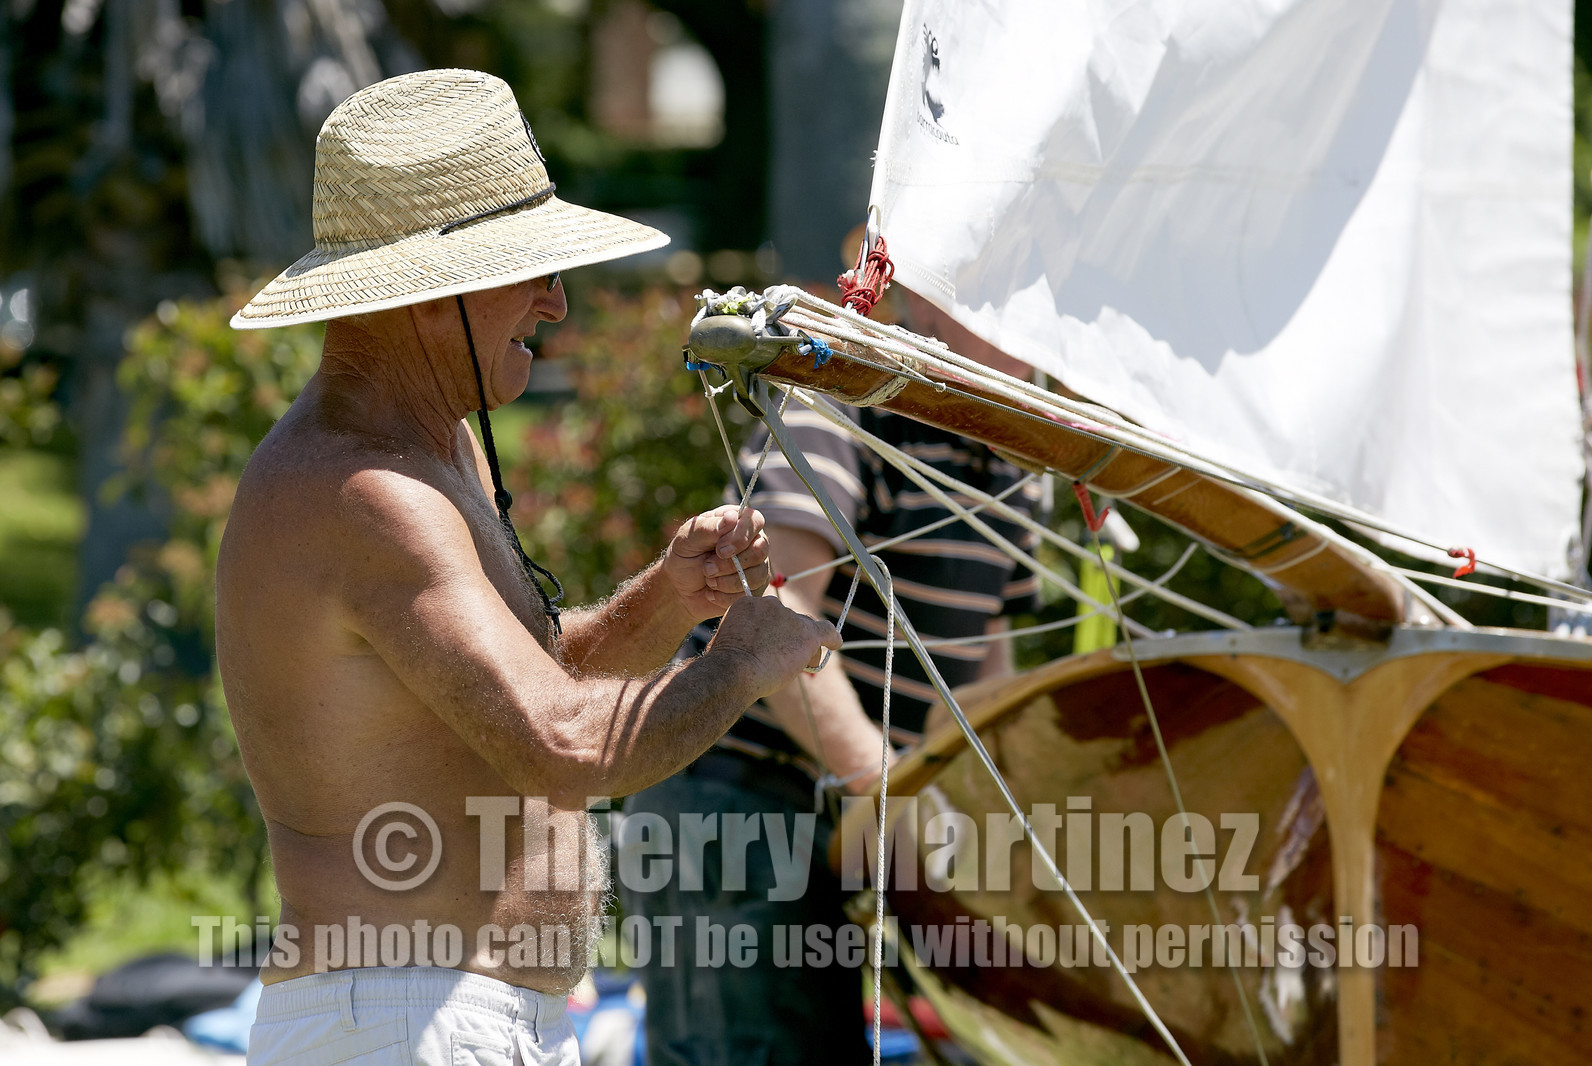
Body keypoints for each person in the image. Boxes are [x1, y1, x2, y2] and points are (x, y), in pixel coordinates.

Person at [216, 68, 841, 1066]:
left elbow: (525, 691)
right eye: (533, 271)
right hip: (398, 1020)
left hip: (432, 1016)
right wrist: (738, 666)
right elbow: (559, 741)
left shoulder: (428, 454)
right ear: (435, 296)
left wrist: (668, 597)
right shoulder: (363, 493)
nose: (556, 301)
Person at [621, 288, 1043, 1065]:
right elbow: (767, 631)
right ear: (932, 297)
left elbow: (986, 682)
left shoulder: (1020, 463)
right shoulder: (844, 404)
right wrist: (891, 796)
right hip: (735, 791)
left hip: (843, 809)